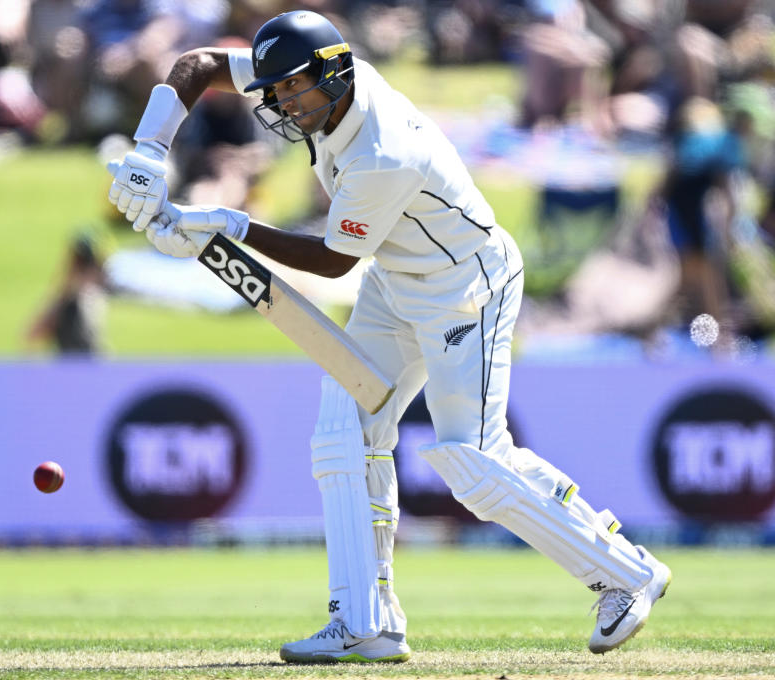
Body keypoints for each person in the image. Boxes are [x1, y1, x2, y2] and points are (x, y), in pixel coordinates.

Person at [106, 9, 672, 663]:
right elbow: (197, 65)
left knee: (475, 465)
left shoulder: (382, 151)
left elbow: (331, 260)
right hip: (396, 279)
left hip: (466, 288)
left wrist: (225, 225)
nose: (284, 104)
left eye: (294, 88)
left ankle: (627, 573)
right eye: (276, 92)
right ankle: (364, 622)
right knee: (344, 428)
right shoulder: (319, 84)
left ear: (332, 74)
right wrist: (148, 153)